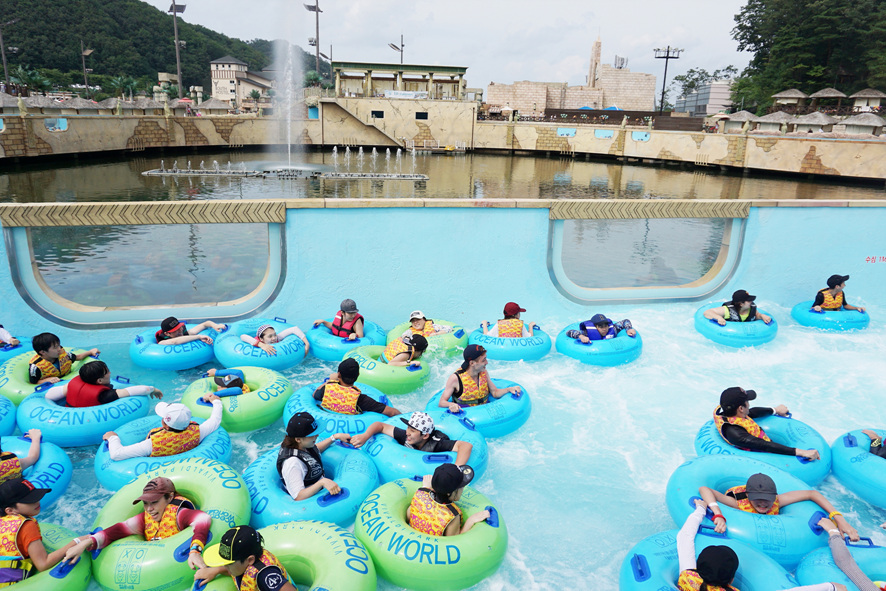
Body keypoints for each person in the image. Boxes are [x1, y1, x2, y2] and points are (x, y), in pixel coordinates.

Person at [675, 499, 846, 591]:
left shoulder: (687, 578)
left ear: (699, 567)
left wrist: (700, 509)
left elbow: (684, 537)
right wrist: (830, 587)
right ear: (731, 579)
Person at [63, 477, 210, 571]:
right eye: (145, 503)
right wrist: (84, 543)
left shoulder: (179, 514)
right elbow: (117, 530)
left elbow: (203, 520)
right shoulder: (145, 518)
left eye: (154, 502)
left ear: (170, 497)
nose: (149, 509)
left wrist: (195, 551)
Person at [699, 472, 859, 540]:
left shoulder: (778, 501)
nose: (763, 504)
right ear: (748, 497)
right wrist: (718, 513)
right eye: (757, 500)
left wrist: (839, 518)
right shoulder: (737, 503)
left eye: (767, 499)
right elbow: (704, 489)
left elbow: (812, 494)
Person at [0, 478, 78, 584]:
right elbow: (43, 564)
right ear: (10, 510)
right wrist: (76, 542)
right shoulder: (27, 526)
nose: (37, 501)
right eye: (29, 500)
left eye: (35, 497)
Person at [714, 387, 820, 461]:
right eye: (747, 402)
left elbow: (751, 412)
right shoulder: (735, 434)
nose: (749, 404)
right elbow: (764, 445)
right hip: (759, 455)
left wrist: (775, 410)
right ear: (741, 408)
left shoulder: (730, 413)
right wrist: (801, 452)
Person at [102, 399, 222, 461]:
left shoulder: (152, 444)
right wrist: (216, 401)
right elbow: (215, 420)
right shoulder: (198, 432)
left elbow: (116, 455)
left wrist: (113, 437)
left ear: (165, 425)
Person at [348, 411, 473, 466]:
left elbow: (466, 446)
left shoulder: (438, 444)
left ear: (425, 435)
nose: (407, 433)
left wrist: (457, 468)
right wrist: (365, 436)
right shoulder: (406, 436)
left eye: (412, 431)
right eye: (408, 428)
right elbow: (380, 426)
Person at [195, 525, 295, 591]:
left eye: (228, 564)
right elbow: (236, 569)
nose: (225, 565)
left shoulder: (264, 575)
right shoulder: (244, 562)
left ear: (250, 560)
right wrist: (216, 570)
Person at [277, 412, 348, 501]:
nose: (317, 435)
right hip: (311, 499)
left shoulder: (301, 446)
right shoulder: (293, 463)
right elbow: (298, 496)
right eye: (312, 434)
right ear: (298, 439)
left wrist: (334, 437)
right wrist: (322, 483)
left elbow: (315, 450)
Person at [407, 463, 490, 536]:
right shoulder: (452, 515)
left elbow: (409, 516)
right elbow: (454, 540)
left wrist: (426, 487)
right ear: (449, 493)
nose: (463, 489)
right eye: (461, 487)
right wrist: (471, 521)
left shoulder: (420, 494)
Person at [43, 360, 163, 407]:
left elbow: (49, 395)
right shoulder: (103, 395)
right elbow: (134, 390)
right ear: (99, 381)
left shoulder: (72, 385)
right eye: (107, 372)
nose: (110, 373)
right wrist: (153, 389)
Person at [437, 345, 521, 410]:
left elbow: (495, 393)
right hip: (466, 415)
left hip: (484, 412)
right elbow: (441, 402)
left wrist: (509, 389)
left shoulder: (483, 372)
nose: (487, 362)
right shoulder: (455, 379)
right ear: (472, 363)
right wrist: (451, 405)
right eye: (483, 360)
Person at [312, 358, 400, 417]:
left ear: (338, 374)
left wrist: (328, 381)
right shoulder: (361, 399)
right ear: (358, 375)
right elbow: (392, 412)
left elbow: (315, 394)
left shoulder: (327, 389)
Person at [27, 333, 100, 385]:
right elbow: (33, 382)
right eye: (55, 347)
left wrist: (90, 352)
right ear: (43, 352)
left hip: (69, 378)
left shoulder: (63, 354)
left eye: (59, 345)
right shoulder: (36, 366)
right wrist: (47, 380)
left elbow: (78, 357)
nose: (59, 349)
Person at [704, 290, 772, 325]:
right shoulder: (727, 310)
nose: (751, 301)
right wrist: (719, 318)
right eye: (748, 301)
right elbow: (707, 312)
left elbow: (757, 315)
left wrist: (762, 316)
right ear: (741, 304)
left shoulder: (751, 308)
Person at [240, 324, 309, 356]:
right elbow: (242, 336)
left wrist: (307, 344)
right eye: (270, 336)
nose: (274, 338)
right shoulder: (257, 341)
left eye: (274, 334)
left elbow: (294, 329)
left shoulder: (277, 338)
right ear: (261, 339)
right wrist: (261, 345)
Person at [565, 313, 636, 343]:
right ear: (595, 327)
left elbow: (625, 321)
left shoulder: (613, 329)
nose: (604, 329)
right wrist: (581, 336)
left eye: (606, 326)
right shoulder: (587, 333)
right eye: (601, 327)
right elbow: (569, 332)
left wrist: (628, 329)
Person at [155, 317, 227, 345]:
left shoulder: (185, 333)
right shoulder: (162, 342)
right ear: (167, 333)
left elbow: (205, 324)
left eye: (180, 328)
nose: (180, 331)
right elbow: (174, 341)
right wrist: (198, 337)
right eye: (175, 330)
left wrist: (215, 325)